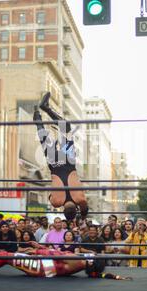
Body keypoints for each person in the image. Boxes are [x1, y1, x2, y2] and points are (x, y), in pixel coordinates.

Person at [34, 92, 88, 221]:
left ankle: (46, 108)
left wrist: (82, 216)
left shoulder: (80, 199)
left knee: (65, 126)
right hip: (55, 164)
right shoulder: (56, 203)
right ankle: (37, 118)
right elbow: (50, 196)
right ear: (63, 211)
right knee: (43, 136)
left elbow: (85, 209)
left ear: (76, 210)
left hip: (68, 161)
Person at [0, 242, 131, 280]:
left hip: (41, 267)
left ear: (92, 261)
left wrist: (37, 250)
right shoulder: (86, 267)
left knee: (5, 255)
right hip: (45, 267)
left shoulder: (78, 260)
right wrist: (116, 277)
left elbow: (55, 254)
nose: (93, 254)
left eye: (95, 257)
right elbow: (98, 275)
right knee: (7, 256)